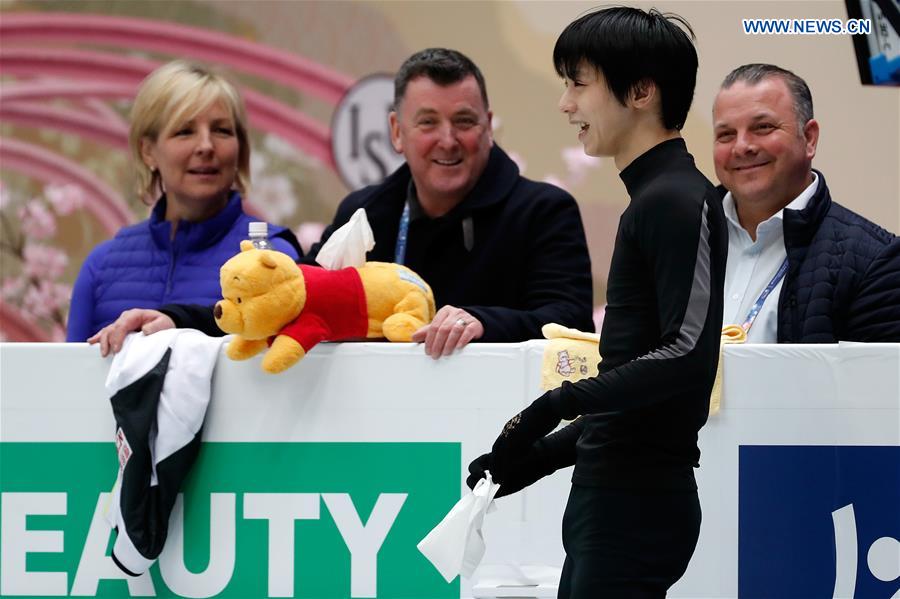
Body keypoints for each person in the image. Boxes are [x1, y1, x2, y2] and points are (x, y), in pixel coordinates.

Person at [90, 49, 594, 358]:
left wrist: (483, 322)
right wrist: (177, 319)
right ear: (397, 132)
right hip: (380, 441)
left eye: (463, 121)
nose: (448, 139)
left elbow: (571, 324)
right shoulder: (366, 210)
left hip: (493, 442)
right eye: (427, 123)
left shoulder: (543, 211)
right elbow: (292, 300)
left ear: (487, 125)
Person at [467, 8, 727, 597]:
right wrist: (536, 459)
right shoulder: (658, 198)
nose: (566, 104)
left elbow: (687, 355)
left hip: (635, 507)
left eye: (578, 83)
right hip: (617, 498)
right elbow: (638, 404)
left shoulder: (674, 199)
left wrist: (556, 403)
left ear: (641, 91)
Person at [66, 60, 301, 342]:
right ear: (148, 151)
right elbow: (69, 380)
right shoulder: (102, 266)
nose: (206, 146)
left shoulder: (275, 258)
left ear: (241, 149)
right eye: (184, 131)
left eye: (222, 131)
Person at [712, 63, 900, 343]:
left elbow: (873, 384)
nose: (741, 147)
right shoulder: (682, 239)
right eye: (726, 134)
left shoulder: (876, 261)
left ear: (809, 138)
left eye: (762, 127)